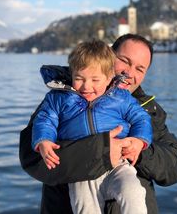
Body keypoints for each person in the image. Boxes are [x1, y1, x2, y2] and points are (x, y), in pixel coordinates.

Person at [19, 33, 177, 214]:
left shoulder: (148, 110)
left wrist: (138, 151)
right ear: (107, 56)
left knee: (132, 191)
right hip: (69, 202)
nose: (129, 73)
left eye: (140, 69)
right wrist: (101, 150)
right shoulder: (61, 97)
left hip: (126, 188)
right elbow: (32, 158)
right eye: (124, 60)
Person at [32, 40, 152, 214]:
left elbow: (141, 118)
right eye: (79, 78)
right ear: (72, 73)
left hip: (118, 164)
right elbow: (45, 119)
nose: (86, 86)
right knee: (84, 207)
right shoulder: (59, 98)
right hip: (82, 169)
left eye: (95, 80)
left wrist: (139, 141)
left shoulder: (121, 98)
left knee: (133, 192)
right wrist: (43, 140)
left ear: (109, 77)